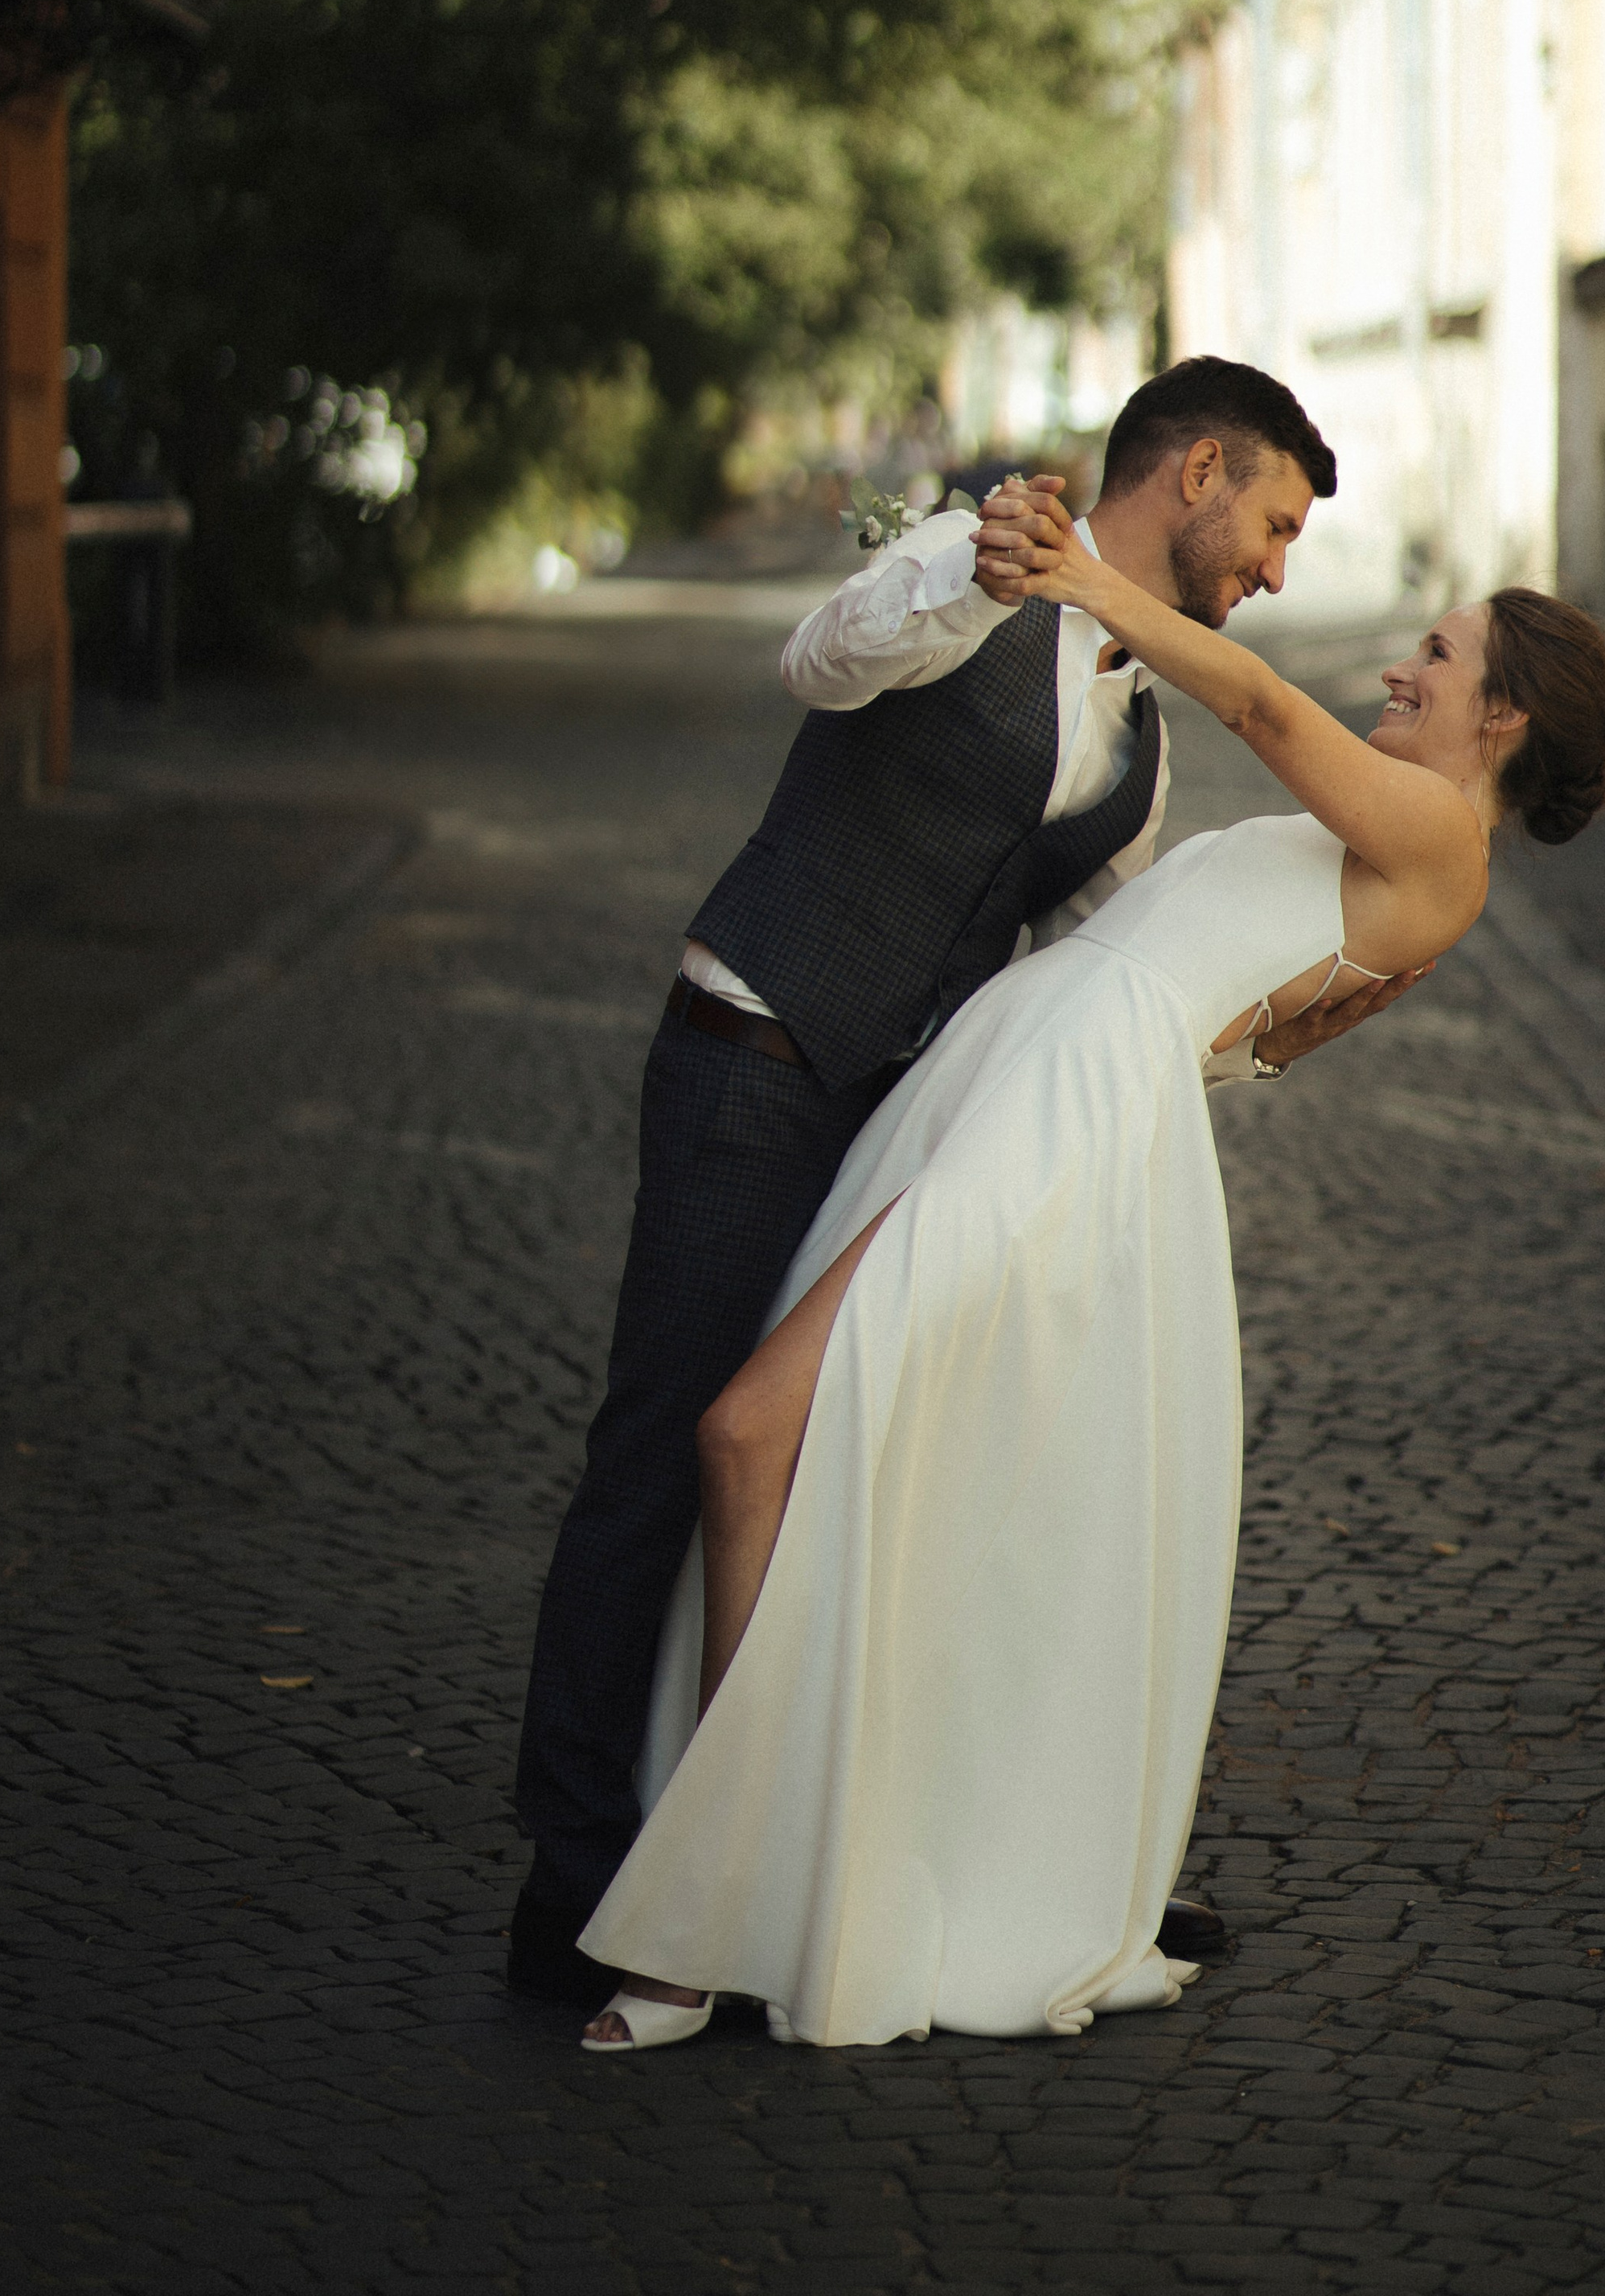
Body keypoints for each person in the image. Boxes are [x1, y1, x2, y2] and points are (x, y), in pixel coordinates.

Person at [572, 541, 1605, 2051]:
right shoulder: (1400, 839)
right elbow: (1235, 1008)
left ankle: (712, 1912)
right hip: (1018, 1074)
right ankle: (732, 1896)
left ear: (1505, 721)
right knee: (786, 1451)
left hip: (1057, 1106)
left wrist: (1089, 581)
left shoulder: (1442, 840)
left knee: (754, 1434)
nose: (1403, 668)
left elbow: (1264, 705)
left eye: (1440, 659)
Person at [509, 359, 1405, 2010]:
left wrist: (1241, 1034)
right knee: (660, 1453)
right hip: (755, 1057)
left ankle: (904, 1866)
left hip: (902, 1118)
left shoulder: (1138, 739)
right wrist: (959, 564)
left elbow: (1080, 950)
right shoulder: (974, 564)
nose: (1278, 567)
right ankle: (575, 1889)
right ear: (1196, 471)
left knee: (860, 1460)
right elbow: (821, 659)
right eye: (1272, 524)